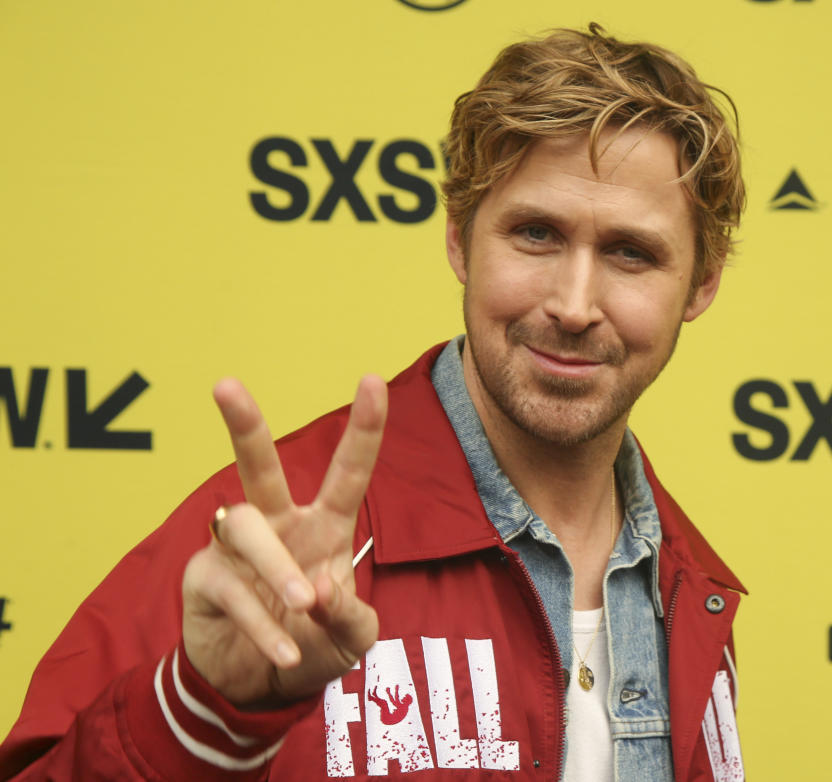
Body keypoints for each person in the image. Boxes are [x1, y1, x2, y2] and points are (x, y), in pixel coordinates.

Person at [0, 23, 747, 782]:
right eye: (535, 234)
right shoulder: (269, 544)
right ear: (460, 238)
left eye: (631, 253)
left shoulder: (690, 584)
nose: (575, 304)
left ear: (703, 282)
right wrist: (206, 712)